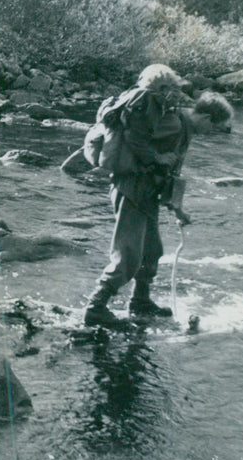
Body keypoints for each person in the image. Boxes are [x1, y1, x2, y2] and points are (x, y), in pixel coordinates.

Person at [83, 64, 232, 327]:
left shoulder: (182, 127)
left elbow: (167, 173)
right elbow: (135, 140)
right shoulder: (174, 125)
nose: (214, 134)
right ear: (207, 118)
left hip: (146, 192)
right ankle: (96, 306)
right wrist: (157, 160)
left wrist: (177, 208)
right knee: (128, 253)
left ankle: (140, 302)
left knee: (152, 251)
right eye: (216, 128)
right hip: (132, 188)